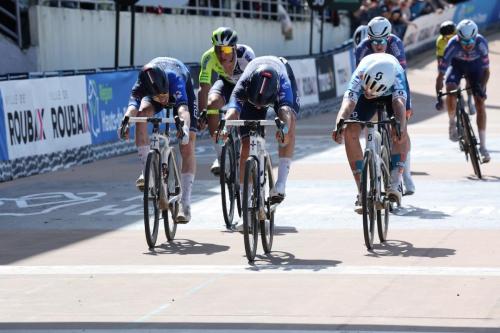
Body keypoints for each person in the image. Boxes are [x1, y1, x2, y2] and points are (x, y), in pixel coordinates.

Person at [118, 57, 198, 223]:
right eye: (158, 96)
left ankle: (185, 203)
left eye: (163, 95)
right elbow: (132, 107)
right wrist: (125, 122)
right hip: (153, 92)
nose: (163, 99)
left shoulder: (175, 79)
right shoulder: (142, 82)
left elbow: (183, 109)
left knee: (187, 144)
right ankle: (147, 171)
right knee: (141, 115)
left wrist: (183, 128)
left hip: (181, 89)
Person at [332, 53, 409, 213]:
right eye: (366, 88)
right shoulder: (360, 75)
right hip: (365, 93)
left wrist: (400, 126)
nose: (368, 92)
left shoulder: (396, 78)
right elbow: (347, 105)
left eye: (371, 91)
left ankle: (396, 180)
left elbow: (399, 104)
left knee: (400, 130)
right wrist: (339, 123)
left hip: (390, 95)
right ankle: (362, 190)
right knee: (350, 130)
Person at [219, 56, 299, 204]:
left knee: (289, 128)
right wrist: (225, 128)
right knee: (247, 145)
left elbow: (286, 112)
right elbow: (232, 112)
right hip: (255, 85)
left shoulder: (283, 84)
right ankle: (246, 200)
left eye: (261, 105)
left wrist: (284, 129)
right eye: (256, 104)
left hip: (280, 75)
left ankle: (280, 184)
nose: (258, 108)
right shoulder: (244, 84)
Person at [355, 16, 415, 195]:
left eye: (382, 41)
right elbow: (359, 79)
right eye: (374, 41)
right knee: (368, 119)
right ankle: (372, 152)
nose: (378, 45)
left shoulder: (396, 44)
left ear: (388, 38)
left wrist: (407, 104)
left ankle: (406, 175)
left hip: (394, 86)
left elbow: (402, 77)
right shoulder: (362, 48)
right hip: (371, 87)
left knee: (400, 126)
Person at [197, 27, 255, 176]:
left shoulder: (247, 56)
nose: (222, 55)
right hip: (226, 84)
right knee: (212, 104)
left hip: (245, 87)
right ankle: (220, 155)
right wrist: (203, 113)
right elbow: (204, 87)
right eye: (218, 50)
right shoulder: (208, 57)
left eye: (227, 51)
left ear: (235, 48)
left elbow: (254, 84)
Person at [435, 19, 490, 162]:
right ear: (458, 38)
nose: (468, 45)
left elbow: (486, 71)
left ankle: (483, 146)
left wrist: (481, 89)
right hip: (457, 67)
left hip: (475, 68)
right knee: (451, 88)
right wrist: (439, 96)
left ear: (475, 36)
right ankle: (452, 122)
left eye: (470, 41)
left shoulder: (481, 43)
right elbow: (441, 75)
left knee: (480, 103)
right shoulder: (452, 44)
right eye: (464, 42)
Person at [435, 20, 476, 115]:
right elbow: (440, 59)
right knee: (450, 82)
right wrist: (441, 72)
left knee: (468, 76)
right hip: (450, 60)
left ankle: (470, 100)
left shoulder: (460, 37)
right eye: (445, 37)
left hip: (463, 58)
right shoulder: (440, 41)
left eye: (450, 37)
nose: (447, 39)